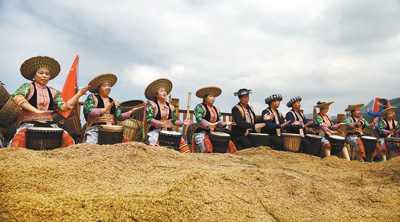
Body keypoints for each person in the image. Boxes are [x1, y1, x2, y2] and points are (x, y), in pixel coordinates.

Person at [10, 56, 89, 148]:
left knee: (68, 141)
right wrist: (36, 111)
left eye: (47, 74)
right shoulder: (28, 87)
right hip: (29, 122)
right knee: (18, 141)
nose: (44, 76)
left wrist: (79, 94)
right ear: (34, 75)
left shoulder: (53, 92)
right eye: (41, 73)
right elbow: (16, 97)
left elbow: (64, 107)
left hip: (49, 124)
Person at [83, 73, 144, 144]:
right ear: (98, 88)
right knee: (90, 144)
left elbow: (119, 117)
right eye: (104, 86)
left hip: (112, 128)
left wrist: (131, 112)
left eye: (109, 86)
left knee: (126, 145)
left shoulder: (114, 102)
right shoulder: (92, 98)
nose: (107, 88)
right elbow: (88, 110)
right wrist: (103, 110)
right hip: (96, 127)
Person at [144, 78, 191, 153]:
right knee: (154, 146)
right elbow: (149, 119)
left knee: (182, 143)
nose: (164, 93)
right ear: (156, 95)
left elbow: (174, 120)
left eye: (165, 91)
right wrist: (161, 124)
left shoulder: (171, 107)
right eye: (161, 91)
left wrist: (182, 123)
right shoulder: (152, 105)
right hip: (155, 130)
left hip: (169, 130)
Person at [193, 86, 237, 153]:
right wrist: (210, 124)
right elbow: (199, 119)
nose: (213, 98)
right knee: (206, 146)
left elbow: (219, 122)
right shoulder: (200, 107)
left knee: (229, 144)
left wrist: (225, 123)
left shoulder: (216, 109)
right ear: (205, 97)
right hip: (202, 132)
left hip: (214, 133)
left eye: (214, 97)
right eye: (210, 96)